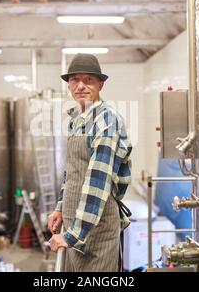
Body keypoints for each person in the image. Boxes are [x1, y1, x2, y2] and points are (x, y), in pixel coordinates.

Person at [48, 53, 132, 272]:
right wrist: (60, 207)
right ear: (68, 85)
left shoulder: (107, 120)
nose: (81, 86)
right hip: (74, 220)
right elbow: (72, 171)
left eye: (89, 80)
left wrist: (73, 234)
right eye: (75, 80)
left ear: (101, 84)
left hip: (97, 227)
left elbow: (98, 180)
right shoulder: (77, 120)